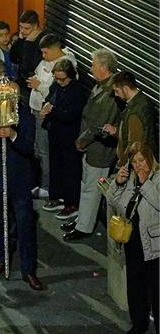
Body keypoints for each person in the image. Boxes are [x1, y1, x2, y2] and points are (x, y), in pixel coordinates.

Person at [0, 81, 42, 290]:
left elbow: (28, 148)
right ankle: (2, 258)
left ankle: (28, 269)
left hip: (19, 181)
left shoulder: (26, 117)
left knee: (25, 224)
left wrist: (14, 136)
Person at [103, 142, 159, 334]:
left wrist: (146, 184)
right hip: (132, 241)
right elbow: (113, 201)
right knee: (135, 285)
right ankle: (138, 324)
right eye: (134, 162)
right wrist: (117, 183)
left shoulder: (157, 179)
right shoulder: (130, 179)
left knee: (157, 289)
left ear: (150, 159)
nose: (139, 166)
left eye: (142, 160)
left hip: (154, 243)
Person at [64, 49, 121, 242]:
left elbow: (99, 123)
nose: (91, 69)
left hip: (99, 149)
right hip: (92, 147)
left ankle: (84, 226)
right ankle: (82, 219)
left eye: (94, 65)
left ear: (104, 68)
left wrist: (82, 140)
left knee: (91, 188)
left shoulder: (109, 93)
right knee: (86, 184)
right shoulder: (103, 87)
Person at [27, 32, 76, 203]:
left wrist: (39, 85)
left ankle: (47, 187)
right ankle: (40, 182)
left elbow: (56, 92)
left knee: (44, 151)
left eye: (46, 52)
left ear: (56, 49)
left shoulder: (66, 65)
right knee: (37, 150)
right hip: (36, 110)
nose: (43, 56)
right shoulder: (45, 62)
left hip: (46, 114)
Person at [41, 58, 87, 223]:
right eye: (57, 78)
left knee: (70, 171)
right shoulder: (56, 86)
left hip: (69, 136)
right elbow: (48, 99)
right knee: (56, 166)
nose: (59, 82)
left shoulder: (77, 91)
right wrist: (46, 107)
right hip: (55, 133)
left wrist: (52, 111)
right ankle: (57, 196)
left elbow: (71, 115)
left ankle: (71, 203)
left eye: (63, 79)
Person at [107, 71, 157, 163]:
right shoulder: (143, 101)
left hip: (135, 164)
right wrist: (117, 131)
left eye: (117, 91)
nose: (115, 94)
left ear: (125, 89)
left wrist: (122, 163)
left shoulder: (135, 111)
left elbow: (133, 145)